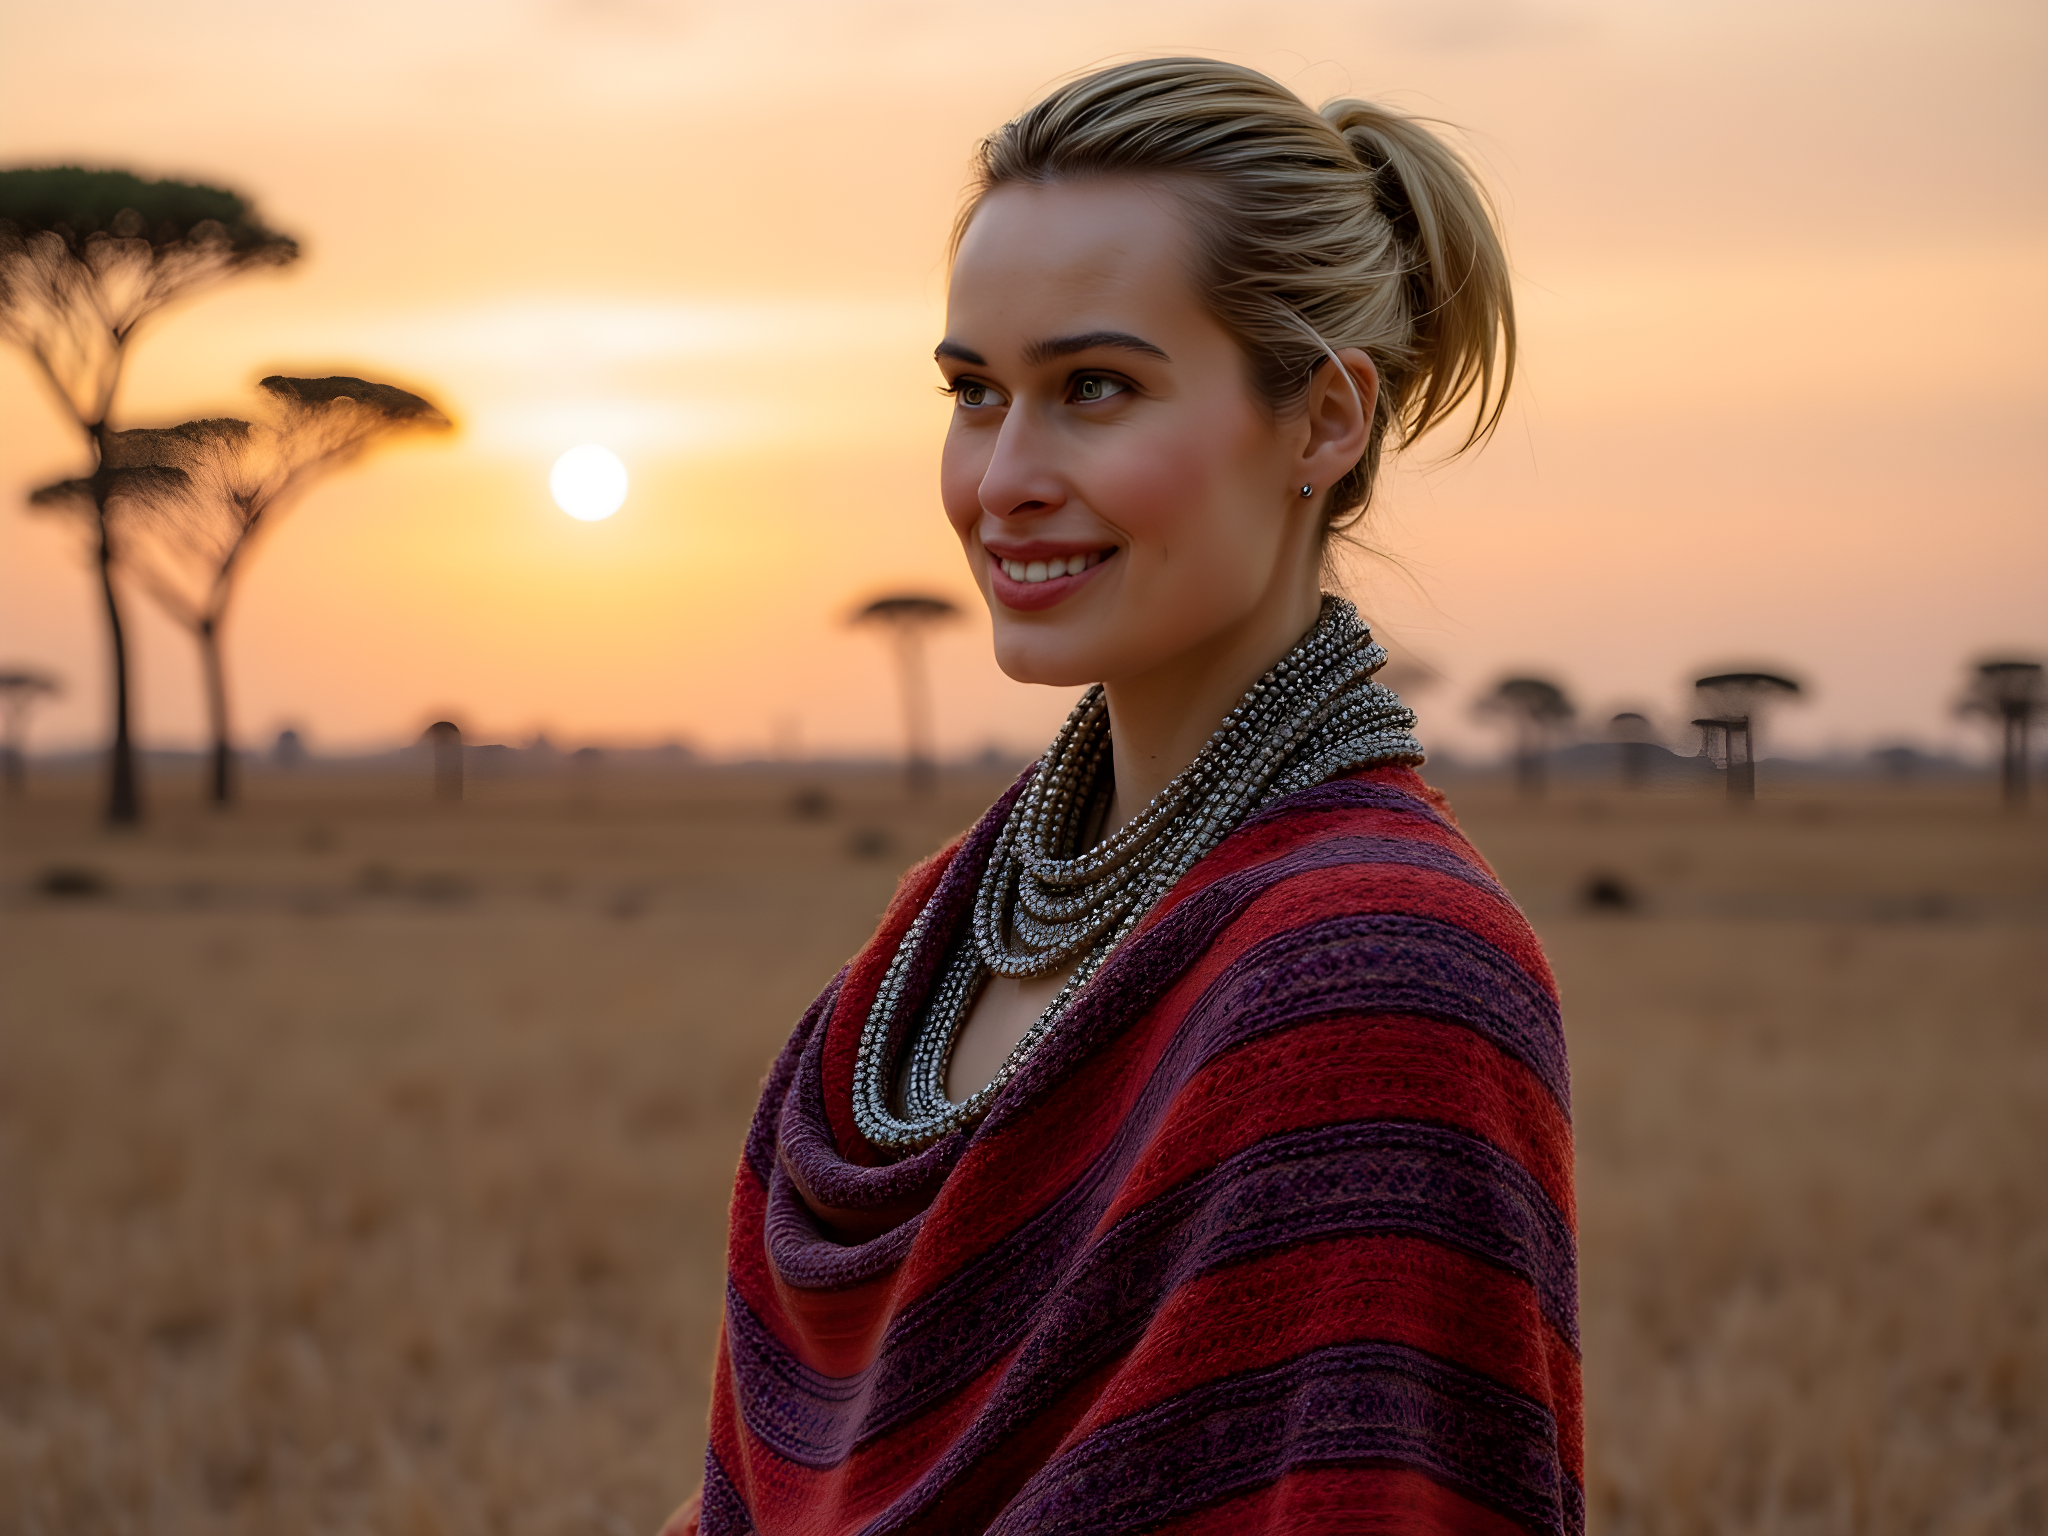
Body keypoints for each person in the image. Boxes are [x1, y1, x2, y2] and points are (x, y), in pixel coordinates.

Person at [665, 57, 1577, 1536]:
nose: (1004, 477)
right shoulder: (944, 925)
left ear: (1323, 422)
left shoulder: (1385, 970)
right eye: (974, 393)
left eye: (1096, 387)